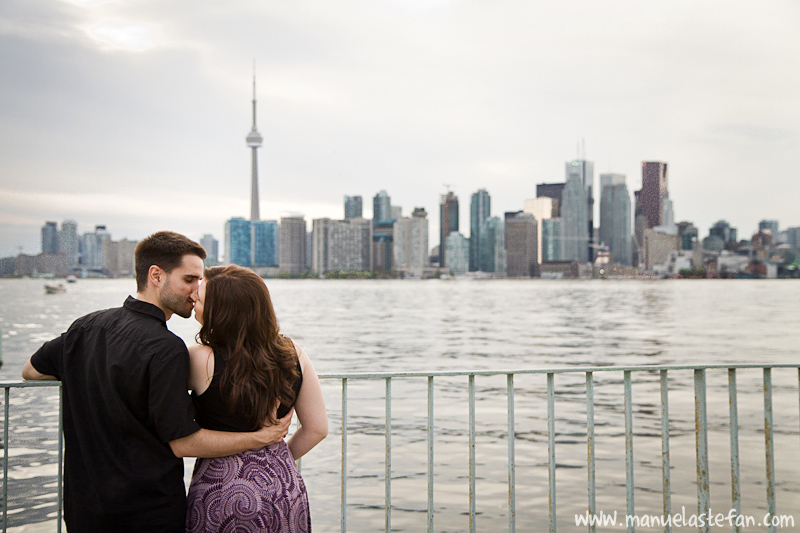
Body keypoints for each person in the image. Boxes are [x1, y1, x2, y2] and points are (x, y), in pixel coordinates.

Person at [22, 231, 292, 533]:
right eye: (189, 279)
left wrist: (79, 372)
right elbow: (185, 440)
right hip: (148, 511)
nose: (196, 291)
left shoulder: (85, 328)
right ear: (156, 276)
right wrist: (261, 439)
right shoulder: (166, 349)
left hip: (85, 508)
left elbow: (31, 371)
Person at [185, 265, 328, 533]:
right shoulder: (293, 352)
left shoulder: (199, 358)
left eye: (201, 298)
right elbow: (317, 429)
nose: (194, 299)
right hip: (282, 485)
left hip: (222, 488)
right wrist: (273, 457)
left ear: (222, 311)